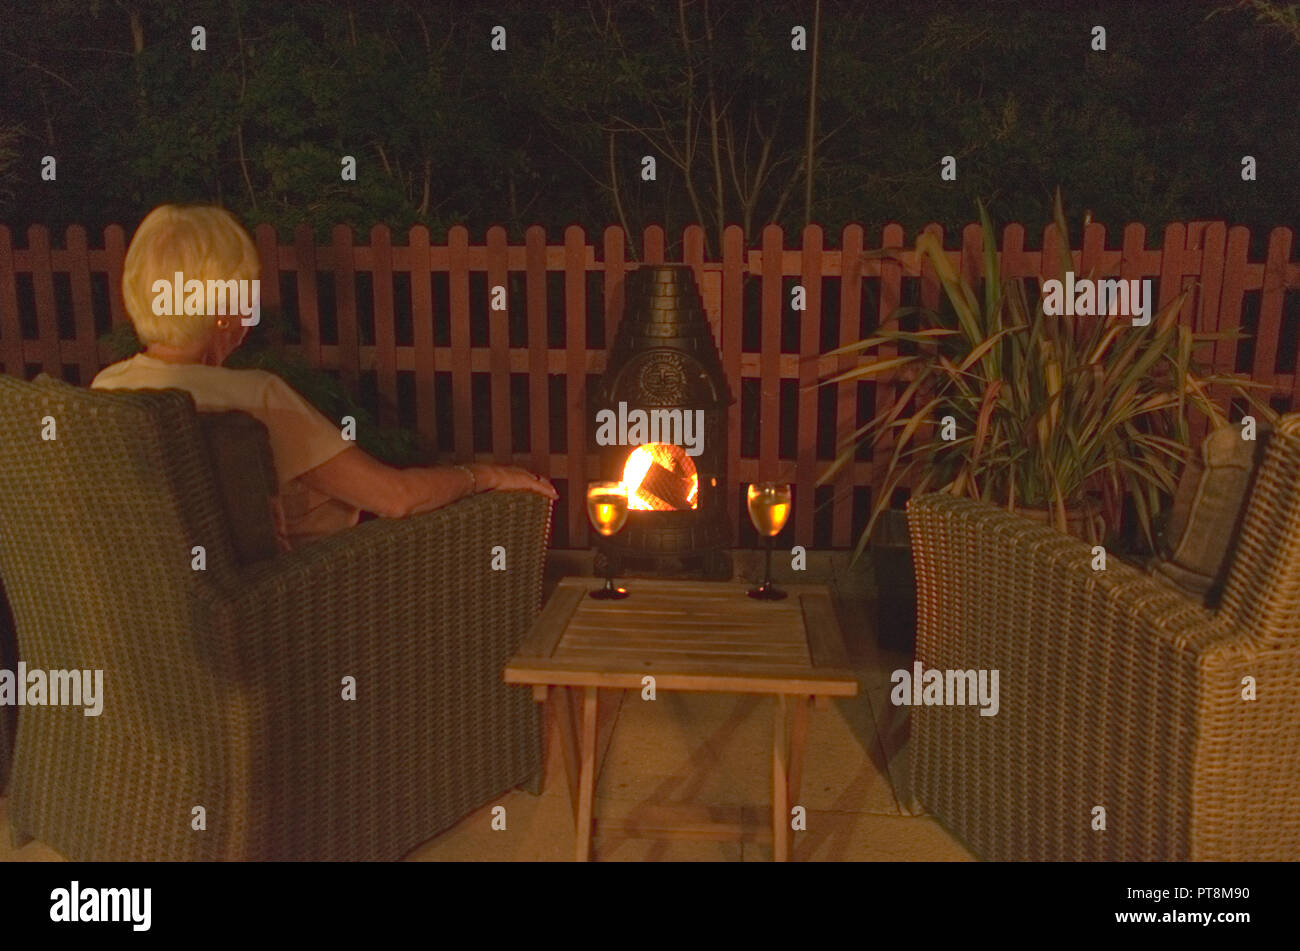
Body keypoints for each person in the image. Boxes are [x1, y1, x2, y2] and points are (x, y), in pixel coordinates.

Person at [91, 204, 556, 549]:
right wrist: (487, 475)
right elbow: (394, 498)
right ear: (223, 311)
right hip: (283, 613)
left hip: (144, 630)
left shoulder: (107, 391)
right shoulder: (255, 397)